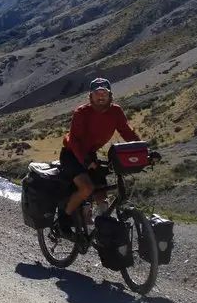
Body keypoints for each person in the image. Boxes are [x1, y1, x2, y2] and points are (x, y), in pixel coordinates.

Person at [58, 77, 140, 233]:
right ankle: (64, 218)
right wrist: (87, 161)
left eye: (104, 93)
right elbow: (74, 141)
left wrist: (141, 148)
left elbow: (126, 132)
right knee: (87, 187)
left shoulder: (116, 111)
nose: (100, 97)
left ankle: (103, 222)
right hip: (71, 155)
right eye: (97, 94)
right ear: (91, 96)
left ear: (110, 95)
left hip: (89, 154)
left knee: (101, 188)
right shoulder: (82, 112)